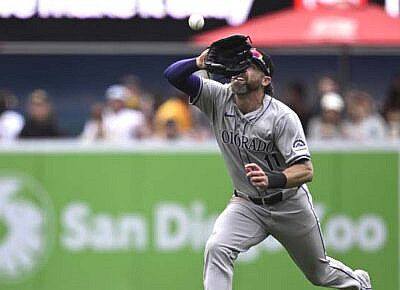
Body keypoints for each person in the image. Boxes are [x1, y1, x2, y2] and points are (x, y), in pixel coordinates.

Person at [164, 43, 372, 290]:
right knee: (217, 247)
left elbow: (306, 170)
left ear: (265, 80)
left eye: (249, 67)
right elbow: (173, 75)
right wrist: (199, 63)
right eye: (237, 67)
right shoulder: (218, 97)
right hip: (247, 204)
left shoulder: (282, 117)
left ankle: (359, 283)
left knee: (319, 273)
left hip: (289, 204)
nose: (239, 71)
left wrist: (272, 179)